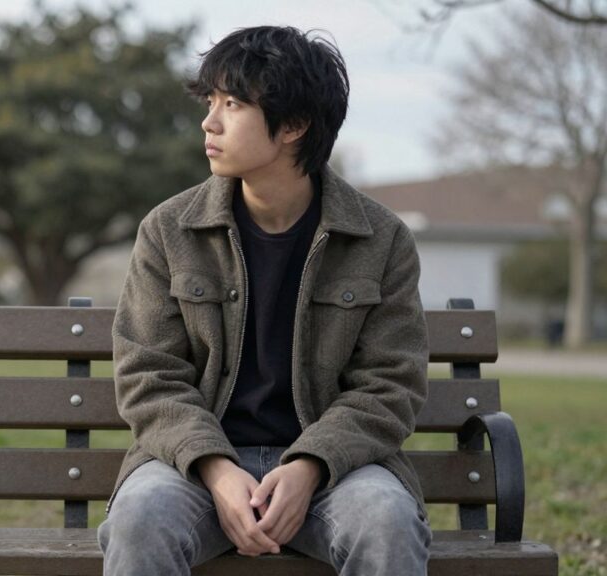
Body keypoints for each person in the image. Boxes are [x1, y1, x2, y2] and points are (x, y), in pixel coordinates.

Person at [97, 25, 432, 575]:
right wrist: (217, 470)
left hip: (335, 473)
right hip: (195, 470)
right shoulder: (169, 230)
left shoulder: (381, 238)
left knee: (386, 520)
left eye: (233, 104)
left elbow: (390, 384)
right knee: (142, 517)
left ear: (294, 125)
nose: (210, 121)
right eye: (210, 101)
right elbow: (148, 375)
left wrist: (308, 466)